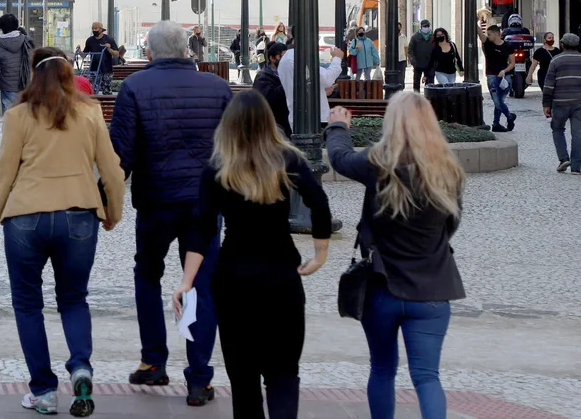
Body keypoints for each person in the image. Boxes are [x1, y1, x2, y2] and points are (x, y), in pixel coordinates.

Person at [0, 47, 125, 418]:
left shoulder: (18, 116)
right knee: (74, 299)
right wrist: (111, 213)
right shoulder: (89, 113)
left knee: (28, 305)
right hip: (79, 217)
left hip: (26, 218)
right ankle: (81, 367)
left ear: (33, 78)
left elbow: (3, 176)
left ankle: (43, 390)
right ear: (69, 77)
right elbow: (112, 170)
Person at [173, 89, 331, 419]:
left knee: (243, 377)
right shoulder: (288, 160)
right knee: (284, 372)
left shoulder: (217, 168)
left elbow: (202, 228)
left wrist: (187, 281)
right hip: (281, 276)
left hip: (233, 278)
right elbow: (319, 202)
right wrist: (319, 254)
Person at [109, 20, 231, 407]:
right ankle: (198, 378)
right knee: (200, 285)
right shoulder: (217, 88)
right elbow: (232, 149)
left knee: (147, 274)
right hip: (204, 204)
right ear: (186, 50)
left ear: (149, 53)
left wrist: (105, 201)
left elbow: (121, 154)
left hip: (155, 200)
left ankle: (153, 360)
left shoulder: (134, 87)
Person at [325, 92, 466, 419]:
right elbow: (452, 223)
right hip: (431, 290)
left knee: (382, 369)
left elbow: (340, 159)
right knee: (428, 377)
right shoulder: (449, 170)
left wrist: (338, 126)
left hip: (381, 287)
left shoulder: (378, 162)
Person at [542, 33, 581, 174]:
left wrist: (546, 104)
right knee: (578, 133)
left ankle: (563, 158)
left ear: (563, 45)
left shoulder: (556, 61)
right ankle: (577, 167)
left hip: (560, 102)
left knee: (558, 129)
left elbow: (549, 85)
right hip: (579, 103)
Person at [279, 47, 344, 127]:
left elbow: (302, 86)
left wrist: (321, 91)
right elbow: (327, 78)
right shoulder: (298, 58)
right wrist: (337, 58)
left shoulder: (286, 60)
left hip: (296, 116)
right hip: (314, 117)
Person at [0, 14, 34, 113]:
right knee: (27, 121)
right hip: (28, 87)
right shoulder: (27, 42)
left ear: (1, 27)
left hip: (8, 88)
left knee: (10, 120)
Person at [477, 24, 517, 132]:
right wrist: (475, 21)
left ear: (496, 34)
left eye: (490, 34)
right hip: (492, 76)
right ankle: (509, 116)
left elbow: (512, 63)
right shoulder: (488, 44)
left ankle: (496, 124)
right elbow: (480, 33)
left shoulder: (508, 46)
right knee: (497, 101)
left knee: (500, 101)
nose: (488, 36)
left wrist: (505, 71)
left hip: (505, 77)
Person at [252, 42, 292, 138]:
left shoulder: (288, 73)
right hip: (273, 126)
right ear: (272, 58)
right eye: (282, 57)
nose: (286, 60)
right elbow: (268, 99)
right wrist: (287, 83)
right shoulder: (263, 76)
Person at [82, 22, 119, 94]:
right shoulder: (90, 40)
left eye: (96, 28)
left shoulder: (108, 39)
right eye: (93, 28)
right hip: (94, 69)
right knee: (93, 91)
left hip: (106, 69)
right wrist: (79, 51)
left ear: (101, 29)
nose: (94, 30)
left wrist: (109, 49)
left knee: (107, 91)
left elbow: (117, 54)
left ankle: (106, 104)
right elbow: (84, 55)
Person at [408, 19, 436, 92]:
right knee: (416, 84)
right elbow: (410, 50)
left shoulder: (433, 37)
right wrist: (413, 61)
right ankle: (416, 99)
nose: (426, 28)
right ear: (421, 27)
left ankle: (429, 98)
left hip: (430, 64)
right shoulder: (415, 37)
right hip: (418, 64)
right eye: (424, 26)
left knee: (430, 84)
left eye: (427, 26)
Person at [397, 22, 408, 87]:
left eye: (399, 27)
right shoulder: (392, 37)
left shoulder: (403, 37)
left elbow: (406, 47)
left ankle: (401, 86)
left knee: (402, 74)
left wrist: (406, 57)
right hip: (394, 59)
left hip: (402, 58)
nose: (398, 29)